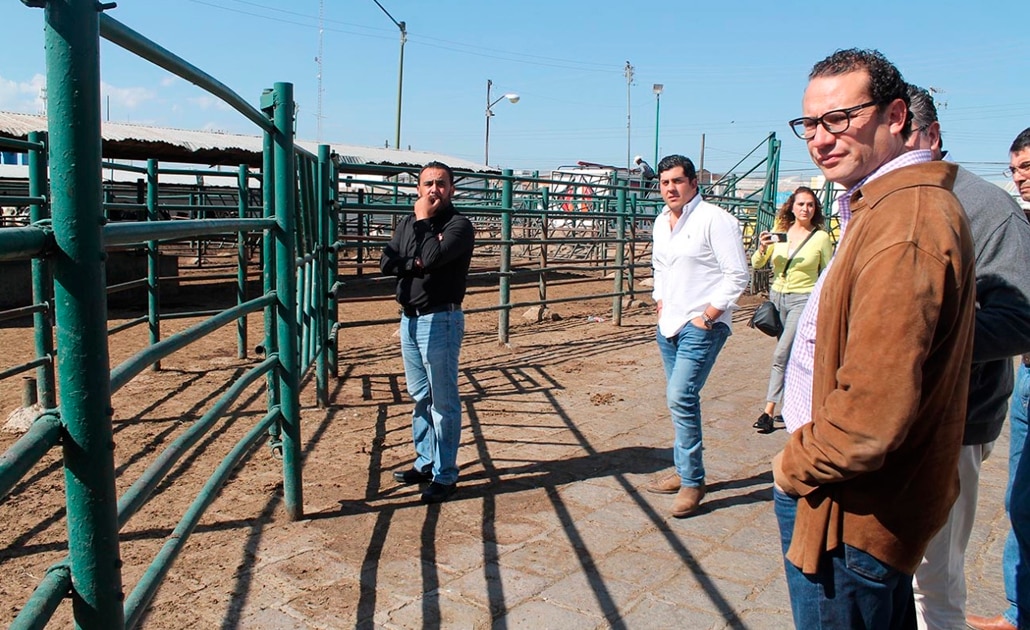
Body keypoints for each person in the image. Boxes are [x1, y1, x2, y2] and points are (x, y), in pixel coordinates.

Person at [771, 49, 977, 628]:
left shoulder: (904, 223)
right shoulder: (884, 207)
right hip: (860, 501)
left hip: (849, 510)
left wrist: (793, 467)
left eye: (840, 118)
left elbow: (869, 414)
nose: (820, 138)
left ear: (894, 116)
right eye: (809, 124)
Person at [901, 90, 1030, 630]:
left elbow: (1020, 318)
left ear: (929, 136)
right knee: (904, 564)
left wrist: (909, 346)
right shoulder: (885, 200)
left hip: (955, 416)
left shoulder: (984, 207)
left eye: (899, 134)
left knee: (936, 573)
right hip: (897, 414)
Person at [644, 154, 749, 518]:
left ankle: (692, 482)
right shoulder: (661, 223)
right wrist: (659, 300)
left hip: (701, 325)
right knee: (680, 400)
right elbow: (659, 266)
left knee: (680, 396)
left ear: (693, 183)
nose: (670, 188)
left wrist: (708, 316)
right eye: (664, 183)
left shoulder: (716, 221)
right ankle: (685, 471)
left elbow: (737, 275)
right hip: (669, 323)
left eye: (677, 181)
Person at [379, 161, 475, 504]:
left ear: (451, 189)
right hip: (410, 319)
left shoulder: (459, 226)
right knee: (420, 396)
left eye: (440, 183)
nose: (433, 189)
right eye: (427, 183)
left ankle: (446, 475)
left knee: (443, 401)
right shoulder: (409, 223)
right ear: (419, 188)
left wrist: (422, 222)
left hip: (440, 321)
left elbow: (432, 258)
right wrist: (413, 262)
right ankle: (426, 461)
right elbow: (387, 262)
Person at [967, 127, 1030, 630]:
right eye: (1015, 169)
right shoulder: (1020, 223)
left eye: (1028, 166)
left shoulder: (1005, 219)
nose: (1021, 178)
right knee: (1021, 501)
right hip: (1027, 378)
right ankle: (1019, 611)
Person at [749, 187, 833, 434]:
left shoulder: (821, 238)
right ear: (792, 207)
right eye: (801, 204)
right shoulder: (781, 234)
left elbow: (829, 272)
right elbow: (757, 264)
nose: (805, 209)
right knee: (790, 356)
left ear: (815, 208)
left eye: (810, 205)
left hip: (802, 300)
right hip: (777, 298)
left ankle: (768, 411)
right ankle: (795, 405)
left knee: (780, 354)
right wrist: (763, 247)